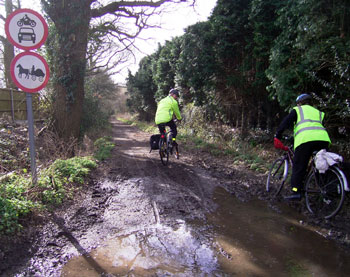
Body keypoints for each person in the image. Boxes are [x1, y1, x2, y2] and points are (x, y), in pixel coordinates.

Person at [274, 93, 331, 200]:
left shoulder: (298, 110)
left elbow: (286, 122)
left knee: (299, 165)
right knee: (321, 165)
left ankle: (296, 191)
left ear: (300, 103)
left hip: (305, 140)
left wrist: (278, 135)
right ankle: (326, 190)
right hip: (323, 139)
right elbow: (313, 126)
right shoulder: (318, 113)